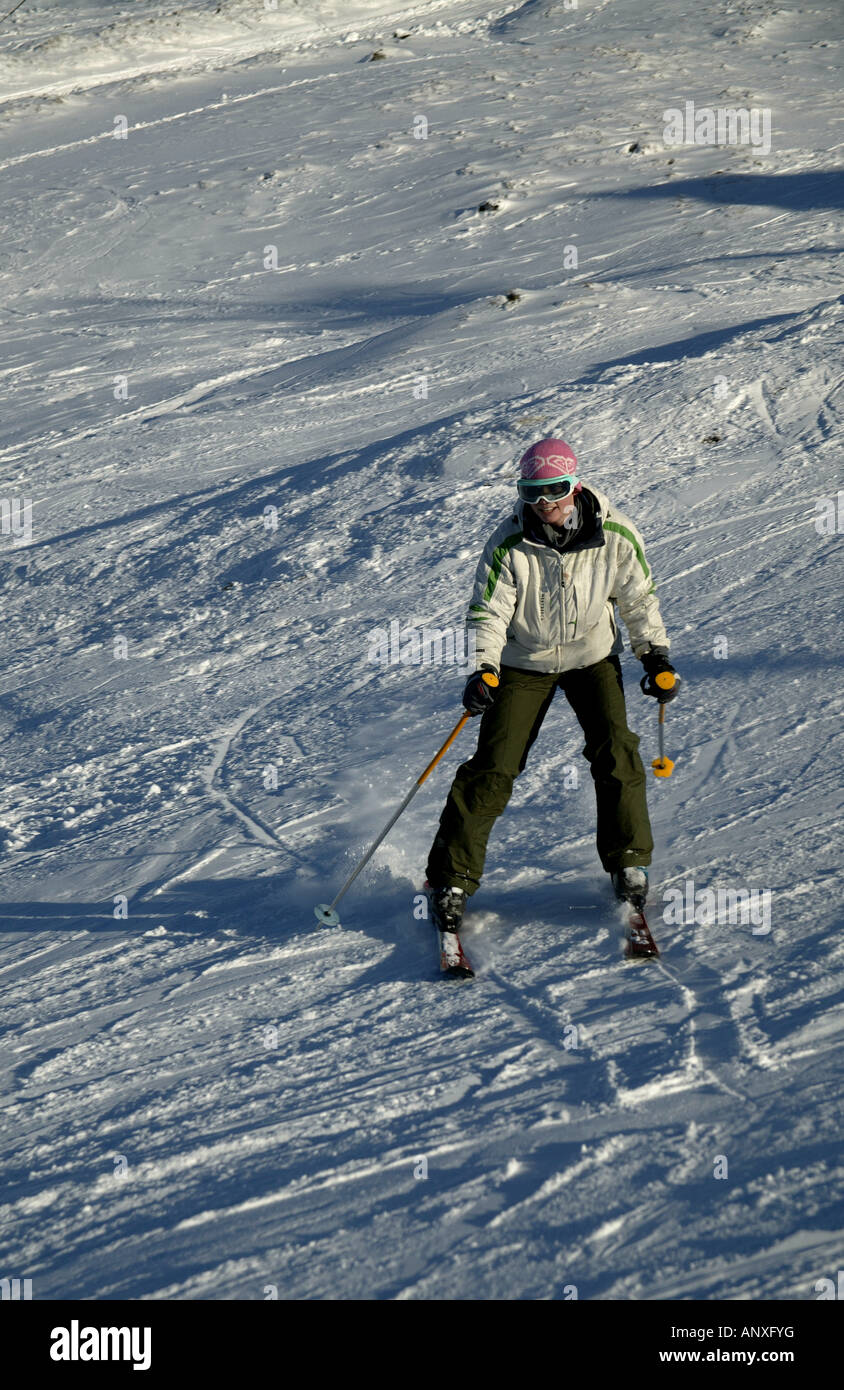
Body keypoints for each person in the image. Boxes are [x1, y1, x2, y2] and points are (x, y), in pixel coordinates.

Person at [425, 438, 680, 934]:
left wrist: (655, 655)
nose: (545, 503)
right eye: (532, 492)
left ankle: (629, 861)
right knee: (495, 764)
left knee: (616, 751)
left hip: (592, 655)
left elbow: (639, 597)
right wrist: (484, 668)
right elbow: (488, 611)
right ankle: (451, 878)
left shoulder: (616, 533)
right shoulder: (509, 542)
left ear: (574, 485)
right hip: (524, 660)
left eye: (555, 490)